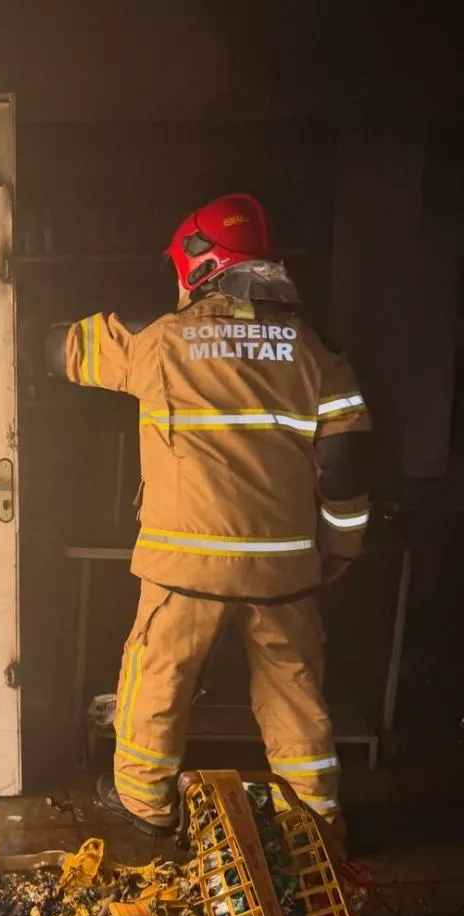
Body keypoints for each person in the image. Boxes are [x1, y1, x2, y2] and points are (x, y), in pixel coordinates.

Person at [46, 193, 371, 837]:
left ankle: (144, 804)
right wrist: (342, 545)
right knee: (293, 687)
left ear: (197, 266)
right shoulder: (315, 351)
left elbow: (58, 350)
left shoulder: (154, 339)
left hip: (184, 567)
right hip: (282, 570)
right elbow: (346, 460)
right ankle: (315, 817)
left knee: (159, 676)